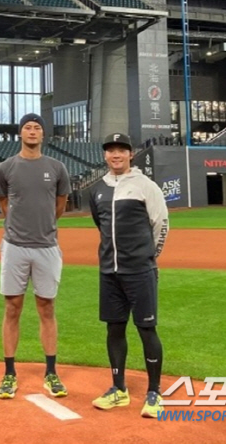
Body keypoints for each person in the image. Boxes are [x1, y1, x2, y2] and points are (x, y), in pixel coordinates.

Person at [89, 133, 169, 417]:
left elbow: (160, 224)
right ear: (105, 156)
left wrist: (147, 258)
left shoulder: (145, 186)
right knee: (114, 328)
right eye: (110, 151)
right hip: (109, 272)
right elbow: (101, 225)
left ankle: (154, 392)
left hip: (140, 271)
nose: (116, 155)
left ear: (131, 154)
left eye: (121, 150)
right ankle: (118, 389)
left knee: (147, 329)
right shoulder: (98, 190)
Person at [0, 113, 71, 400]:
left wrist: (44, 226)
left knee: (46, 308)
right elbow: (3, 202)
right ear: (20, 133)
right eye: (28, 127)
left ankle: (51, 372)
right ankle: (9, 374)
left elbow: (60, 203)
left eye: (37, 127)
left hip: (47, 246)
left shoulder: (57, 167)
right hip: (14, 245)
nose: (32, 131)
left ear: (43, 135)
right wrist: (19, 225)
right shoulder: (6, 167)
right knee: (12, 307)